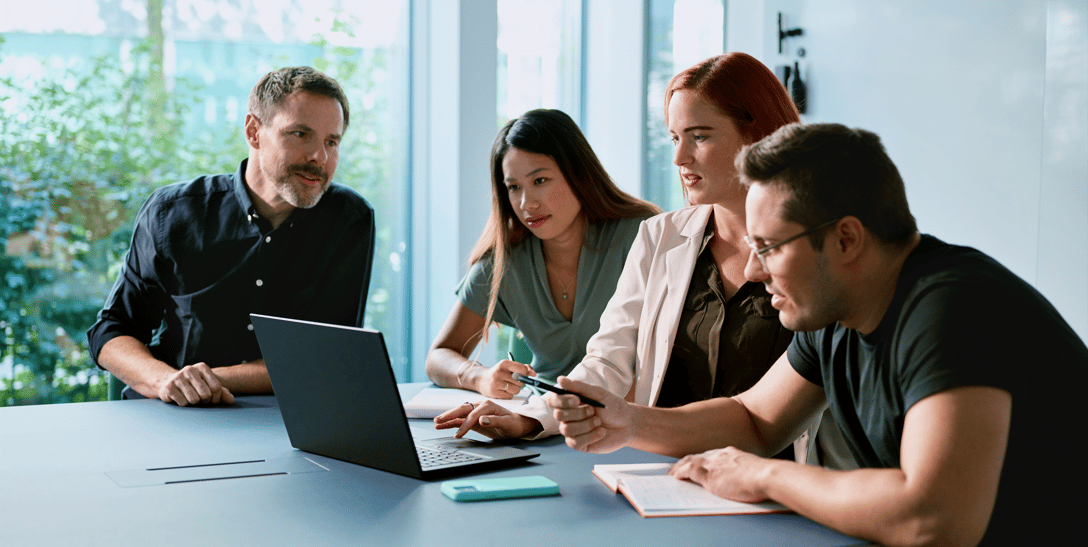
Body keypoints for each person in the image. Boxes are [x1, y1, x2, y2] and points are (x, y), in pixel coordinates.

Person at [548, 122, 1088, 545]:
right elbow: (756, 420)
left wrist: (763, 478)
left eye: (770, 247)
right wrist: (623, 420)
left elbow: (933, 519)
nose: (755, 271)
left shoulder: (954, 310)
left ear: (847, 240)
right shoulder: (837, 311)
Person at [438, 52, 848, 468]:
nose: (679, 158)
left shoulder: (823, 253)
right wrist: (528, 418)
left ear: (756, 134)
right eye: (674, 138)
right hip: (665, 470)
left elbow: (764, 423)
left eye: (699, 136)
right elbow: (609, 358)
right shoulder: (660, 236)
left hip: (777, 484)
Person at [87, 66, 376, 406]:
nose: (320, 157)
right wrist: (166, 381)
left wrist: (199, 380)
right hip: (172, 415)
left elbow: (326, 355)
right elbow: (112, 332)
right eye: (300, 134)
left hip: (284, 421)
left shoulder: (349, 219)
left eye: (332, 141)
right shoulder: (172, 213)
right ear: (254, 131)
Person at [425, 109, 660, 399]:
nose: (527, 203)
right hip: (541, 422)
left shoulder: (642, 235)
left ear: (578, 174)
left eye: (540, 181)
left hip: (629, 423)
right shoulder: (505, 261)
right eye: (513, 187)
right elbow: (439, 356)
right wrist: (480, 377)